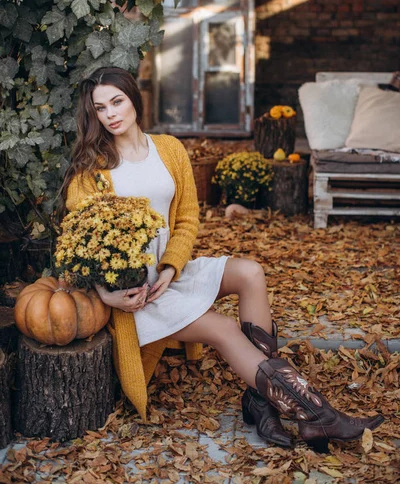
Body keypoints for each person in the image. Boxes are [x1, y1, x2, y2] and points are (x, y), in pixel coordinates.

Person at [60, 66, 384, 451]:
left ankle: (261, 401)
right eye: (100, 108)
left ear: (134, 99)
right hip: (135, 296)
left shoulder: (168, 149)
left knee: (250, 272)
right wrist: (107, 295)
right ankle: (317, 416)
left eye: (117, 101)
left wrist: (171, 266)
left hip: (167, 274)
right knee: (225, 329)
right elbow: (79, 244)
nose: (111, 114)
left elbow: (186, 218)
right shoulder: (92, 171)